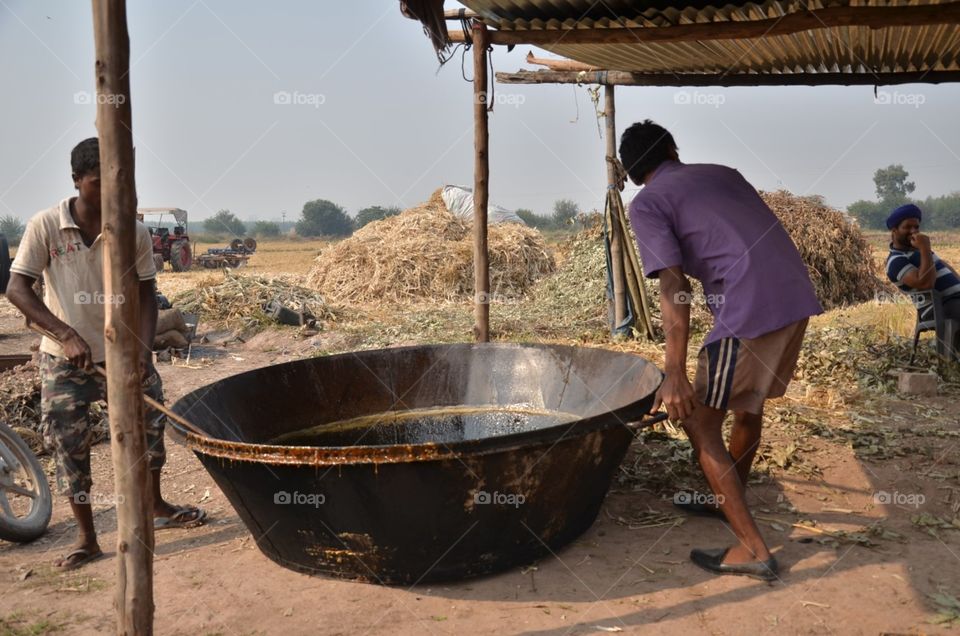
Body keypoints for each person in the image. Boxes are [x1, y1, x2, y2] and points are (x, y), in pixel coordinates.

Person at [619, 120, 822, 581]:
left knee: (699, 422)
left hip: (749, 306)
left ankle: (753, 549)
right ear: (672, 149)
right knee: (747, 405)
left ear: (631, 172)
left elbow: (673, 286)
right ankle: (727, 497)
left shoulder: (647, 202)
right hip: (794, 296)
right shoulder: (724, 173)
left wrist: (673, 372)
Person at [6, 137, 206, 571]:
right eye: (99, 182)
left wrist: (143, 349)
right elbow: (17, 289)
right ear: (77, 181)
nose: (110, 190)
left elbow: (149, 295)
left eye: (119, 180)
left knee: (151, 432)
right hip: (65, 359)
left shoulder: (132, 230)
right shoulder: (45, 225)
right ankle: (88, 536)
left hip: (123, 355)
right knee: (69, 446)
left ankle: (154, 505)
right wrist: (65, 334)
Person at [885, 203, 960, 350]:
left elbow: (950, 270)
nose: (913, 232)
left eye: (916, 227)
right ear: (894, 230)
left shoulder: (922, 253)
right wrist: (925, 248)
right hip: (938, 307)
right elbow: (925, 283)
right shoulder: (895, 260)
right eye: (907, 227)